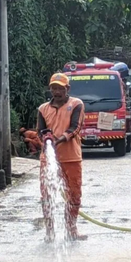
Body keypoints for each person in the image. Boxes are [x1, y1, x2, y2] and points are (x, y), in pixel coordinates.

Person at [37, 72, 86, 241]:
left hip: (71, 157)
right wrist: (46, 139)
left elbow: (75, 128)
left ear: (68, 89)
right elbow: (40, 131)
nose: (57, 92)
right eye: (54, 88)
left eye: (60, 89)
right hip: (48, 159)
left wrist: (59, 140)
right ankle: (49, 232)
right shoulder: (43, 109)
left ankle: (71, 229)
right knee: (46, 195)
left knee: (74, 194)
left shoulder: (76, 104)